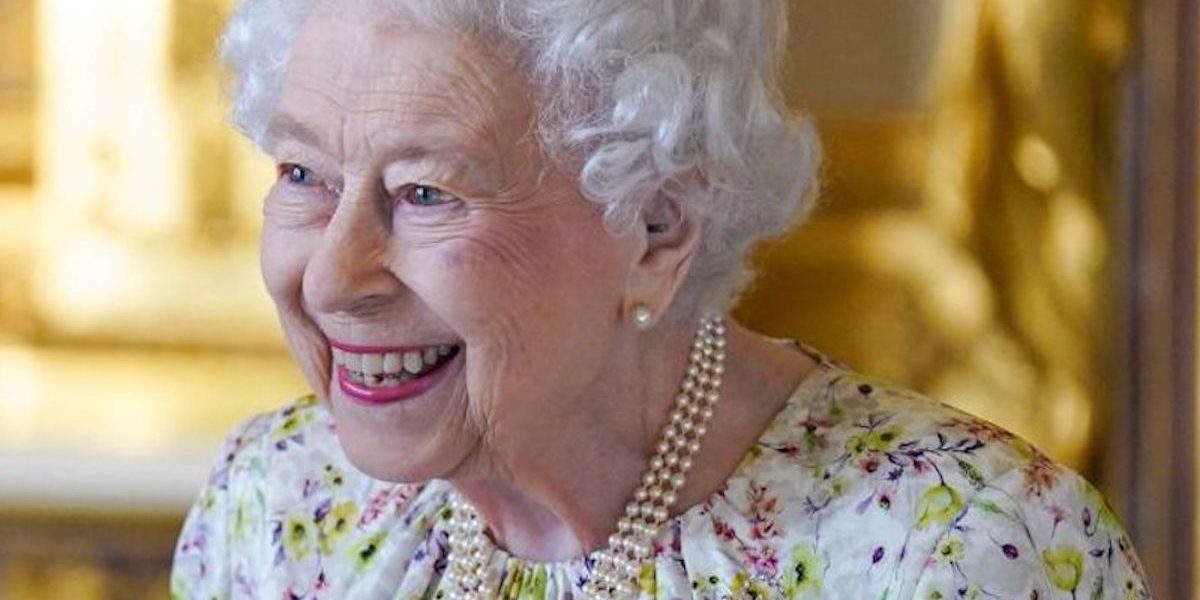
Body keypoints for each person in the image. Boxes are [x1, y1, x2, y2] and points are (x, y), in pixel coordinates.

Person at [170, 1, 1151, 598]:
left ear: (654, 232)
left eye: (427, 192)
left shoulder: (961, 553)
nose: (335, 276)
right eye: (303, 173)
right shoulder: (275, 508)